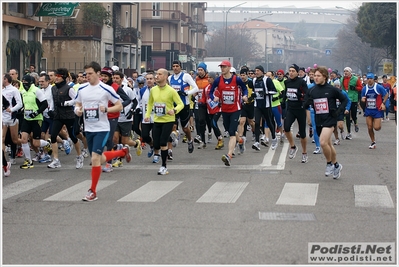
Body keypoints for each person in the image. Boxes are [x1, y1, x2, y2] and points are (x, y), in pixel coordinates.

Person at [74, 61, 131, 202]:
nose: (87, 76)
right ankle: (122, 152)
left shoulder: (106, 89)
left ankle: (92, 191)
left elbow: (119, 106)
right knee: (98, 158)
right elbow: (77, 104)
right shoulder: (81, 89)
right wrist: (78, 111)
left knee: (94, 158)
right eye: (86, 74)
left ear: (98, 74)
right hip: (89, 128)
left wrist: (107, 109)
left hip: (102, 128)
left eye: (90, 74)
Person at [305, 66, 348, 179]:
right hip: (319, 119)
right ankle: (336, 165)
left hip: (330, 119)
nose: (316, 78)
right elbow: (304, 103)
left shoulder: (332, 89)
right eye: (314, 76)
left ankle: (329, 164)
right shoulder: (312, 90)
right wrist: (307, 103)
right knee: (328, 144)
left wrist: (339, 112)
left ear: (325, 76)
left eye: (318, 76)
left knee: (323, 142)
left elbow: (345, 100)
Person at [144, 68, 184, 175]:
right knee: (156, 144)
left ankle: (163, 166)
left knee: (162, 143)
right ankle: (173, 136)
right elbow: (150, 103)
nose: (157, 76)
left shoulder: (171, 91)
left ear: (165, 77)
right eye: (156, 74)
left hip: (168, 120)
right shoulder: (153, 90)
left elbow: (181, 104)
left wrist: (174, 110)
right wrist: (147, 115)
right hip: (157, 120)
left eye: (160, 74)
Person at [209, 60, 248, 166]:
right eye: (221, 67)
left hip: (235, 109)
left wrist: (245, 96)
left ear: (229, 68)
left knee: (231, 132)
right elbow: (211, 92)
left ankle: (229, 155)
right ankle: (240, 141)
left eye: (224, 67)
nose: (222, 69)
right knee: (230, 130)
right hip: (224, 109)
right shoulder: (218, 80)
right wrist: (214, 98)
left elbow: (244, 89)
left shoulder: (236, 79)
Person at [19, 75, 52, 169]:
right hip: (26, 119)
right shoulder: (23, 92)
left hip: (37, 119)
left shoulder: (37, 91)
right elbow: (23, 103)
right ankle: (28, 160)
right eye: (23, 83)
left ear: (31, 83)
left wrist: (36, 112)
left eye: (26, 83)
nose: (25, 85)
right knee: (23, 139)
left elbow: (45, 104)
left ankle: (47, 143)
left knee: (36, 143)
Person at [168, 60, 199, 154]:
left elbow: (196, 88)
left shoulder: (186, 76)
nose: (175, 68)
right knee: (172, 126)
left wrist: (186, 93)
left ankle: (190, 140)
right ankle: (169, 150)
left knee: (185, 128)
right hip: (174, 106)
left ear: (180, 67)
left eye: (177, 66)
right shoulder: (170, 78)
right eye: (173, 66)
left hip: (184, 105)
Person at [283, 64, 309, 163]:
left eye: (293, 71)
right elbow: (286, 92)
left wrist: (301, 96)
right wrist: (283, 100)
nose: (291, 73)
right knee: (286, 128)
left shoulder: (301, 82)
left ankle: (304, 153)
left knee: (302, 133)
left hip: (300, 109)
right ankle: (293, 146)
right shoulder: (287, 82)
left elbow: (306, 94)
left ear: (298, 72)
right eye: (290, 71)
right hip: (291, 108)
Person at [251, 65, 278, 151]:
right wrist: (253, 95)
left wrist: (265, 93)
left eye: (258, 70)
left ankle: (274, 139)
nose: (256, 72)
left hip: (266, 105)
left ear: (262, 72)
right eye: (256, 70)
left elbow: (274, 91)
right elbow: (254, 91)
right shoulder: (254, 80)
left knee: (269, 122)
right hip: (257, 105)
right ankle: (257, 142)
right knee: (257, 123)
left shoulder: (267, 80)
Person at [360, 72, 388, 149]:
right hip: (368, 110)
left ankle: (378, 123)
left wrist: (383, 103)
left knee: (377, 128)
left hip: (377, 110)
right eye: (368, 79)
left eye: (370, 78)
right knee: (369, 127)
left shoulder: (378, 87)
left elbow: (386, 95)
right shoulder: (364, 88)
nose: (369, 80)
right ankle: (373, 142)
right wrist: (362, 99)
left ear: (373, 79)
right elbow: (362, 97)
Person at [2, 73, 23, 175]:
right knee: (2, 140)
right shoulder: (2, 90)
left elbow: (20, 103)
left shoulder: (14, 90)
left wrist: (12, 109)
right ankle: (5, 162)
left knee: (14, 139)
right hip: (2, 117)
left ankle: (25, 144)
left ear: (6, 79)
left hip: (11, 117)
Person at [340, 67, 362, 139]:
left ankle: (356, 124)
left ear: (350, 72)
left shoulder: (355, 79)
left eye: (347, 71)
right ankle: (349, 133)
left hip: (353, 99)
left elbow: (360, 87)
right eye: (344, 71)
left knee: (353, 115)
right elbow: (341, 88)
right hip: (345, 99)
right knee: (347, 115)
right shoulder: (342, 79)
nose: (345, 72)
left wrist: (355, 88)